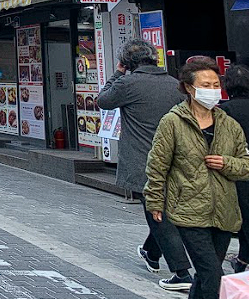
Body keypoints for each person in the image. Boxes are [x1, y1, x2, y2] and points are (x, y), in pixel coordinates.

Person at [145, 56, 249, 299]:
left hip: (224, 211)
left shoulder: (229, 124)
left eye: (216, 85)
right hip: (188, 209)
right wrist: (155, 200)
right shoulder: (172, 122)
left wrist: (227, 163)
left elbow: (245, 165)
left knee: (204, 276)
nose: (212, 90)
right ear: (189, 88)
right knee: (213, 274)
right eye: (205, 85)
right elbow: (157, 165)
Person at [96, 39, 192, 291]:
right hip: (174, 160)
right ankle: (151, 252)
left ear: (127, 62)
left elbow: (103, 100)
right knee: (164, 212)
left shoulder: (128, 83)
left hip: (143, 161)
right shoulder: (173, 84)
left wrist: (118, 73)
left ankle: (182, 273)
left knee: (158, 216)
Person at [222, 64, 249, 273]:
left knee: (243, 216)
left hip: (237, 170)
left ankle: (244, 260)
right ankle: (243, 258)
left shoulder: (225, 112)